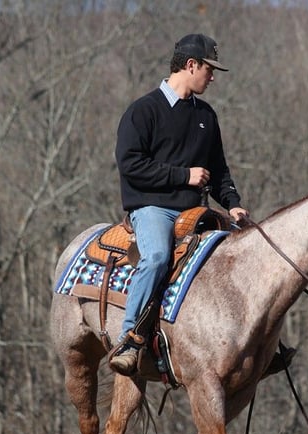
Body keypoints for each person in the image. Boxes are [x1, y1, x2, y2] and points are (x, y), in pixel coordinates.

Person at [109, 33, 249, 375]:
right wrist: (182, 176)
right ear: (190, 65)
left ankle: (255, 346)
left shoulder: (207, 116)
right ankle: (129, 337)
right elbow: (130, 165)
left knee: (240, 256)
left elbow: (218, 170)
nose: (212, 77)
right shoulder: (143, 111)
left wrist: (232, 203)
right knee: (156, 257)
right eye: (209, 69)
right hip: (153, 208)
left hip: (195, 212)